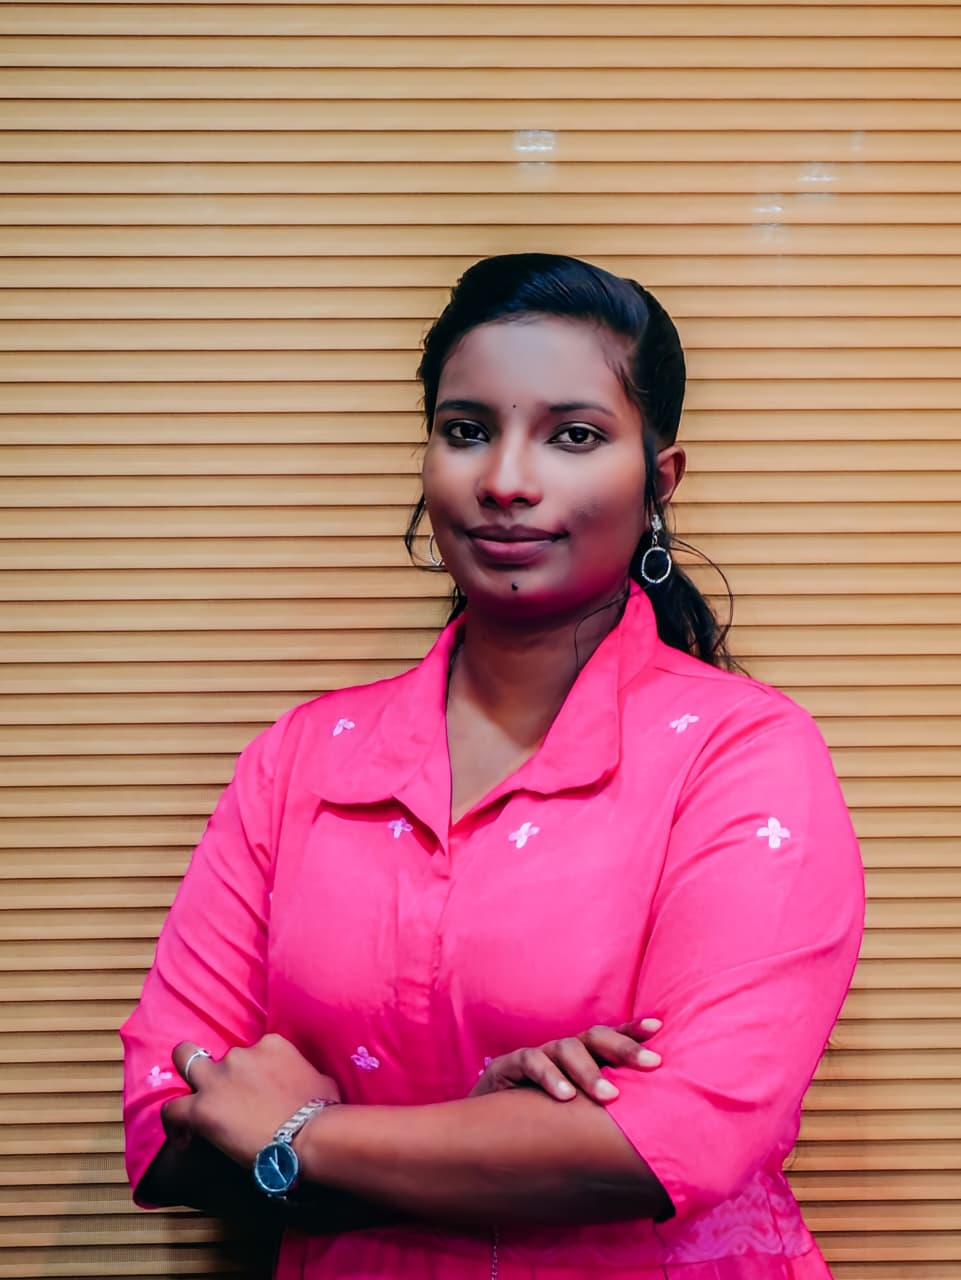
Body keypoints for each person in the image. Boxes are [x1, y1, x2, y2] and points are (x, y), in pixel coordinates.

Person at [120, 253, 865, 1279]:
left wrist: (296, 1134)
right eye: (466, 429)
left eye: (574, 435)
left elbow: (678, 1138)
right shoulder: (299, 760)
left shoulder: (740, 753)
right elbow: (165, 1125)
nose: (505, 481)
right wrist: (494, 1138)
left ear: (659, 480)